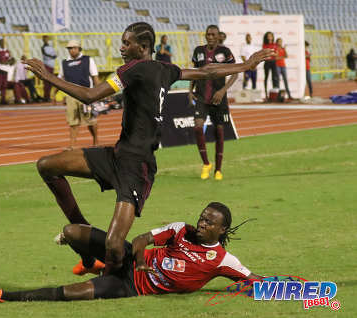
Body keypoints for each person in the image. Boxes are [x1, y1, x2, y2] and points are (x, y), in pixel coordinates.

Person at [21, 22, 273, 277]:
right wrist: (245, 65)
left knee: (114, 246)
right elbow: (206, 72)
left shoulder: (132, 69)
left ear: (143, 47)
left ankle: (115, 281)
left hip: (137, 167)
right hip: (116, 155)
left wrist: (49, 77)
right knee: (47, 166)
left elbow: (90, 95)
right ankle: (85, 245)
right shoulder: (166, 69)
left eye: (126, 43)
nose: (121, 47)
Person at [0, 202, 263, 302]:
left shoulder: (223, 261)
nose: (201, 223)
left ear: (222, 230)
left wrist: (302, 291)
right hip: (125, 258)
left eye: (209, 222)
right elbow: (140, 239)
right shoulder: (181, 230)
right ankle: (91, 261)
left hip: (130, 287)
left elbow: (253, 280)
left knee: (74, 293)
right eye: (202, 217)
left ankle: (2, 296)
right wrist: (139, 260)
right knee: (72, 231)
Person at [189, 25, 238, 181]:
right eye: (208, 34)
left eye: (213, 34)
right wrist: (190, 90)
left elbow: (235, 73)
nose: (210, 37)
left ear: (218, 36)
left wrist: (223, 91)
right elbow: (195, 72)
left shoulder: (225, 52)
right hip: (202, 97)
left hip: (219, 99)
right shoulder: (198, 51)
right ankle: (206, 164)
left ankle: (218, 169)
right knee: (197, 126)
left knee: (219, 132)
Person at [52, 39, 101, 149]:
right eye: (69, 48)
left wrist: (98, 94)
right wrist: (54, 94)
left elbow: (95, 78)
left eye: (74, 48)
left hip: (86, 94)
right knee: (72, 121)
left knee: (90, 120)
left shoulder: (88, 60)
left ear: (79, 48)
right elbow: (60, 80)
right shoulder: (64, 63)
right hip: (71, 95)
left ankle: (96, 142)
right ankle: (72, 145)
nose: (71, 50)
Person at [0, 38, 15, 105]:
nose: (2, 43)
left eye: (3, 42)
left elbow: (12, 60)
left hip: (6, 69)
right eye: (1, 42)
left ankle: (3, 99)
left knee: (4, 85)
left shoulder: (8, 51)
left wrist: (7, 62)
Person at [262, 31, 279, 97]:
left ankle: (274, 93)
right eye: (268, 36)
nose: (270, 37)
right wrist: (272, 53)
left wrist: (271, 53)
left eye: (271, 36)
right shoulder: (265, 45)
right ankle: (266, 94)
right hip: (267, 62)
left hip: (273, 62)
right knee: (266, 77)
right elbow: (265, 54)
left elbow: (276, 54)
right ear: (266, 37)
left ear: (272, 37)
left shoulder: (274, 45)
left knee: (274, 77)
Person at [42, 35, 57, 102]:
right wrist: (52, 56)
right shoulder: (43, 47)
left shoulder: (51, 47)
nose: (46, 40)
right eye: (44, 39)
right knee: (46, 82)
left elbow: (55, 55)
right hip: (46, 65)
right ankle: (46, 96)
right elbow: (45, 54)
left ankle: (48, 96)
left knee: (50, 82)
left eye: (47, 39)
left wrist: (53, 56)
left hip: (51, 66)